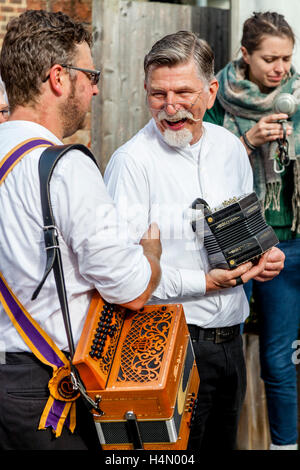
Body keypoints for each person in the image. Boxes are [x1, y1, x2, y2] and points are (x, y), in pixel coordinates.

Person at [104, 30, 285, 451]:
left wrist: (264, 257)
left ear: (211, 89)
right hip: (166, 347)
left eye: (184, 92)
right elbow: (124, 275)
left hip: (231, 343)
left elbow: (244, 232)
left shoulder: (231, 149)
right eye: (157, 94)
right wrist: (204, 284)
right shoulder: (131, 163)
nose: (170, 108)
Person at [0, 10, 161, 451]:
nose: (94, 86)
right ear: (59, 78)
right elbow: (130, 289)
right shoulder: (64, 167)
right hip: (44, 393)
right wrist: (152, 255)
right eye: (89, 74)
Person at [204, 12, 300, 451]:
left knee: (280, 359)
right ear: (245, 54)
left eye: (286, 58)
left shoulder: (297, 96)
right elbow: (205, 175)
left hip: (291, 243)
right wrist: (247, 143)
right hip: (236, 243)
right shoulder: (217, 98)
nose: (280, 68)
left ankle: (284, 446)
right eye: (270, 59)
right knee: (225, 355)